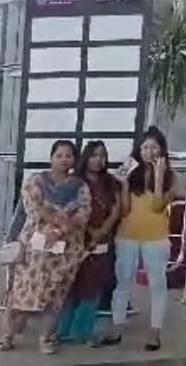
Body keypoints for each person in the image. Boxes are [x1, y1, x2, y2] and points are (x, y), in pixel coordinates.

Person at [0, 140, 90, 354]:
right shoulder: (35, 181)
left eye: (69, 155)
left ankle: (46, 338)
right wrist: (58, 221)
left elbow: (84, 212)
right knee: (22, 292)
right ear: (51, 158)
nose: (64, 159)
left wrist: (61, 230)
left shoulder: (79, 186)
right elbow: (33, 209)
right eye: (59, 155)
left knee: (54, 297)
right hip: (35, 249)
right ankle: (8, 335)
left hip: (64, 251)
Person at [99, 126, 182, 351]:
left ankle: (154, 333)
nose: (149, 152)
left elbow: (157, 206)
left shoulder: (172, 178)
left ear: (162, 150)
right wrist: (124, 183)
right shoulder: (132, 173)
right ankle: (117, 328)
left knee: (157, 284)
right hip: (127, 235)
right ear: (139, 150)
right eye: (145, 147)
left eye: (154, 147)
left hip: (156, 238)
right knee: (123, 282)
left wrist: (158, 176)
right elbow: (124, 210)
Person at [55, 141, 121, 344]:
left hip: (103, 239)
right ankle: (62, 331)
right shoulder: (75, 182)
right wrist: (90, 232)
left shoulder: (110, 182)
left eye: (102, 155)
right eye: (94, 155)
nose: (98, 160)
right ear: (86, 157)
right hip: (78, 239)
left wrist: (102, 231)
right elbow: (70, 210)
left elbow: (117, 209)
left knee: (93, 287)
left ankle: (83, 331)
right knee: (72, 285)